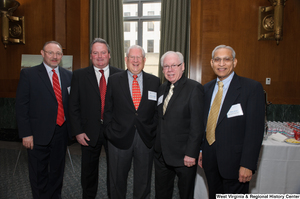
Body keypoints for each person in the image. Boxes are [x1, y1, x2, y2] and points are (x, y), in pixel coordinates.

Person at [198, 45, 265, 198]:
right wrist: (202, 149)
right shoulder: (205, 89)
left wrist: (247, 164)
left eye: (226, 59)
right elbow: (204, 123)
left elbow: (254, 131)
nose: (221, 64)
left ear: (234, 62)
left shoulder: (251, 88)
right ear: (211, 63)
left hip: (236, 164)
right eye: (217, 60)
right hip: (210, 162)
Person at [15, 41, 72, 199]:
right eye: (50, 53)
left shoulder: (69, 75)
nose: (55, 57)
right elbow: (21, 106)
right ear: (42, 53)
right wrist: (26, 134)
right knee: (38, 174)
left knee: (57, 172)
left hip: (61, 132)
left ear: (62, 56)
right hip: (37, 134)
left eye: (58, 53)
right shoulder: (29, 74)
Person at [103, 45, 160, 199]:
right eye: (132, 57)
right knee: (117, 180)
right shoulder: (114, 80)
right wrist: (109, 132)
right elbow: (108, 109)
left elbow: (157, 111)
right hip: (118, 138)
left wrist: (153, 130)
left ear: (144, 60)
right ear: (126, 60)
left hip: (145, 138)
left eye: (139, 57)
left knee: (143, 181)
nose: (135, 61)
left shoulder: (155, 81)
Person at [68, 38, 122, 199]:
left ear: (109, 55)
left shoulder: (120, 74)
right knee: (88, 171)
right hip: (88, 132)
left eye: (103, 52)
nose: (100, 56)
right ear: (90, 55)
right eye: (95, 53)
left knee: (115, 171)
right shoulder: (79, 75)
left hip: (114, 132)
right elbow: (73, 106)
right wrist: (77, 131)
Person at [154, 51, 204, 199]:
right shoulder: (162, 88)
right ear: (162, 69)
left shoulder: (194, 88)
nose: (170, 70)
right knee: (162, 193)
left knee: (185, 194)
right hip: (162, 154)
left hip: (184, 156)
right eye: (166, 66)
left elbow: (197, 125)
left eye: (174, 65)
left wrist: (191, 153)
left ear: (182, 67)